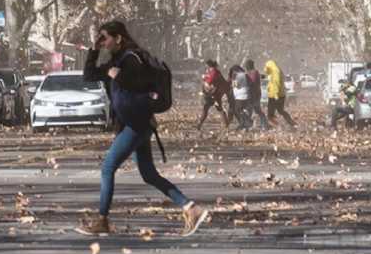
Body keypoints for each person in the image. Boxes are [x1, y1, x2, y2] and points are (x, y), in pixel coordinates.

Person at [77, 20, 208, 237]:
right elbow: (89, 76)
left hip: (136, 125)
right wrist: (94, 50)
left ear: (118, 38)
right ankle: (191, 208)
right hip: (135, 124)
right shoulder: (115, 61)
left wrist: (118, 76)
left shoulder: (132, 58)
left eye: (105, 38)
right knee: (149, 174)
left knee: (108, 168)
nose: (103, 42)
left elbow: (141, 83)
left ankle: (102, 220)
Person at [196, 59, 230, 130]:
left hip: (213, 95)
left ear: (208, 66)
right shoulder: (215, 72)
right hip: (216, 94)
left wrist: (204, 78)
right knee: (218, 109)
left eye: (206, 66)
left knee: (206, 108)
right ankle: (226, 125)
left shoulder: (214, 72)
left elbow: (209, 82)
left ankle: (199, 125)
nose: (206, 68)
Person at [263, 60, 297, 128]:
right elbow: (273, 83)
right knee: (280, 111)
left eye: (266, 67)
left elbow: (276, 83)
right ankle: (291, 123)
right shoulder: (277, 71)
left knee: (270, 114)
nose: (265, 69)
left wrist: (275, 95)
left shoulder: (275, 72)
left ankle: (278, 126)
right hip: (280, 94)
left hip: (275, 95)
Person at [243, 59, 270, 130]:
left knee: (252, 110)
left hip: (254, 95)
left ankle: (248, 126)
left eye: (246, 65)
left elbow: (253, 82)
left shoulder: (254, 72)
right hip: (252, 94)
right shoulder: (251, 73)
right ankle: (264, 124)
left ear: (249, 66)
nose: (246, 67)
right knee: (255, 110)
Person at [229, 65, 252, 130]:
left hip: (241, 96)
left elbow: (236, 85)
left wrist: (233, 80)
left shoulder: (239, 75)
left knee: (237, 110)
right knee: (241, 110)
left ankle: (247, 121)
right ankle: (244, 124)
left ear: (236, 70)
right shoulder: (244, 75)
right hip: (244, 95)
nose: (233, 73)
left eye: (233, 71)